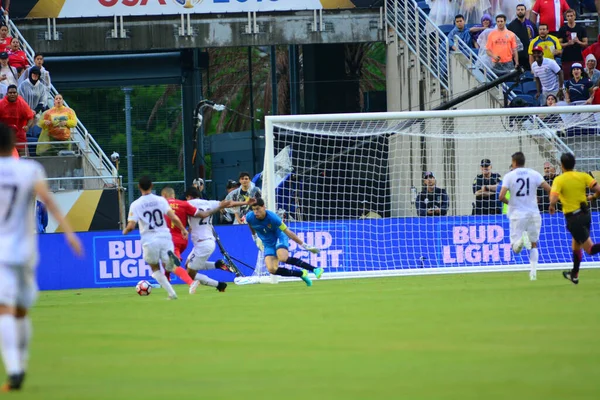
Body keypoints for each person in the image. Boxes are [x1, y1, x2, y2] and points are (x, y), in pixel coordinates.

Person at [0, 122, 83, 391]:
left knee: (4, 310)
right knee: (21, 311)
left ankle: (15, 368)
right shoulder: (30, 169)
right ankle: (19, 364)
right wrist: (69, 233)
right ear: (14, 142)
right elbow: (49, 201)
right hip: (26, 248)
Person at [122, 176, 188, 300]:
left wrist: (125, 231)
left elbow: (131, 226)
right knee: (169, 265)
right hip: (165, 236)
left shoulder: (136, 204)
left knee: (154, 267)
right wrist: (183, 229)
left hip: (149, 239)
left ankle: (171, 293)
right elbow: (173, 217)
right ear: (152, 186)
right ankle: (169, 263)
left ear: (139, 187)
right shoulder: (161, 200)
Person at [184, 186, 254, 294]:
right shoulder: (209, 203)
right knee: (188, 264)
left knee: (189, 273)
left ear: (188, 196)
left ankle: (218, 285)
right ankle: (217, 265)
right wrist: (246, 202)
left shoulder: (188, 204)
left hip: (202, 243)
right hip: (208, 241)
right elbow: (228, 203)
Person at [499, 152, 552, 281]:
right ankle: (533, 274)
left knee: (515, 248)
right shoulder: (534, 173)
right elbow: (549, 189)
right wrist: (552, 203)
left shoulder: (509, 176)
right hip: (534, 213)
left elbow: (501, 196)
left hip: (517, 214)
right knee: (534, 244)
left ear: (514, 162)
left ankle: (522, 240)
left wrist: (512, 203)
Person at [247, 198, 323, 286]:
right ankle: (301, 274)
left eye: (258, 209)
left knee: (283, 257)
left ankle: (315, 269)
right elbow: (250, 224)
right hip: (268, 243)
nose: (256, 212)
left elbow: (288, 232)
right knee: (272, 269)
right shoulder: (250, 217)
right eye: (254, 210)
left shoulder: (273, 218)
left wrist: (305, 246)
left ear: (264, 207)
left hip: (279, 236)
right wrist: (255, 237)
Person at [549, 152, 600, 284]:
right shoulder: (583, 176)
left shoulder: (559, 179)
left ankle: (574, 274)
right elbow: (598, 189)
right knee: (576, 245)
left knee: (589, 249)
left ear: (562, 165)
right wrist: (593, 197)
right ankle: (574, 275)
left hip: (574, 218)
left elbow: (553, 197)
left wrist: (552, 206)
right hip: (586, 214)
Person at [0, 85, 34, 156]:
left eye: (14, 92)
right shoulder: (1, 104)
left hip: (20, 135)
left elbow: (31, 117)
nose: (12, 94)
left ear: (17, 94)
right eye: (10, 93)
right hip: (4, 136)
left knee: (24, 158)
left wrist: (27, 126)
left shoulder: (22, 104)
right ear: (7, 94)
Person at [558, 9, 588, 80]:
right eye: (568, 16)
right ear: (566, 17)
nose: (570, 17)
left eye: (571, 16)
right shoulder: (562, 29)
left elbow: (586, 44)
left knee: (579, 77)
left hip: (578, 56)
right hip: (566, 57)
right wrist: (567, 43)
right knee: (567, 77)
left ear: (574, 16)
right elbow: (558, 44)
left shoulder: (581, 29)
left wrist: (578, 42)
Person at [507, 4, 538, 71]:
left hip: (529, 54)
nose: (520, 11)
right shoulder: (511, 26)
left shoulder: (531, 25)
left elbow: (536, 38)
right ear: (516, 11)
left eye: (522, 9)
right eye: (518, 10)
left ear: (525, 11)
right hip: (517, 55)